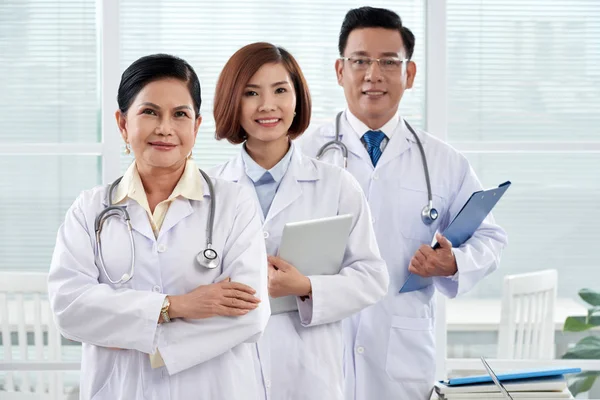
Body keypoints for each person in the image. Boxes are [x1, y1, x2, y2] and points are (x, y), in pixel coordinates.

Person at [297, 7, 508, 400]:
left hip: (401, 358)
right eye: (359, 61)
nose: (373, 75)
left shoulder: (443, 161)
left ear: (409, 75)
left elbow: (491, 237)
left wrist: (454, 261)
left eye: (389, 63)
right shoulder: (302, 154)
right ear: (340, 71)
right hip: (318, 346)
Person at [47, 54, 270, 400]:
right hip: (120, 389)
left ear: (196, 127)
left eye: (180, 114)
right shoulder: (90, 210)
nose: (165, 128)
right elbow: (69, 307)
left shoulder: (234, 204)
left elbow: (249, 315)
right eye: (149, 112)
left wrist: (136, 335)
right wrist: (175, 307)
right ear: (122, 124)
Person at [209, 42, 389, 400]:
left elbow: (372, 277)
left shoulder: (336, 185)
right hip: (228, 369)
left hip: (310, 374)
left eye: (280, 90)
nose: (267, 106)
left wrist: (306, 286)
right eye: (250, 93)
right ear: (233, 101)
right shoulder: (208, 191)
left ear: (298, 99)